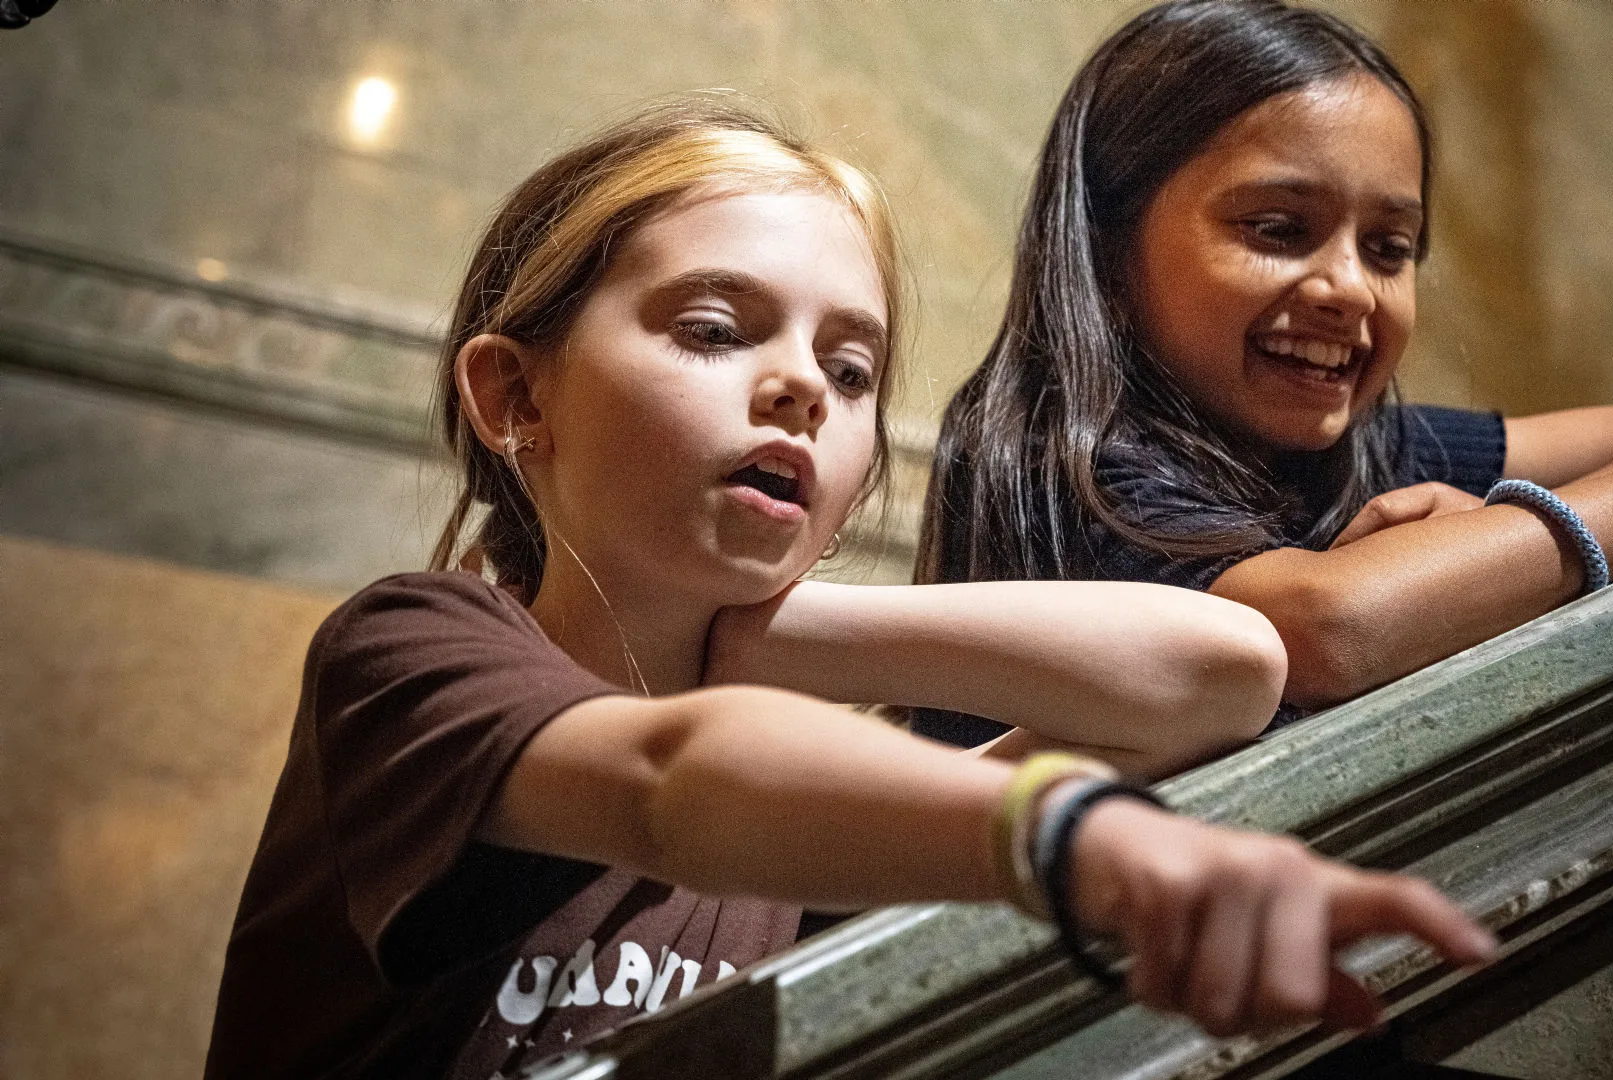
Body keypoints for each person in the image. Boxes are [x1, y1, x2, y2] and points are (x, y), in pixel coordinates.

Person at [203, 99, 1496, 1080]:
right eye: (715, 330)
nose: (803, 389)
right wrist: (1072, 840)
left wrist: (793, 632)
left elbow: (1225, 671)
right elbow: (667, 788)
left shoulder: (803, 813)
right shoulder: (414, 649)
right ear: (514, 396)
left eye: (855, 369)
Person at [916, 0, 1613, 749]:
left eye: (1390, 248)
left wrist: (1473, 544)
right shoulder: (1058, 447)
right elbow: (1322, 630)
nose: (1350, 287)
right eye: (1279, 229)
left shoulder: (1361, 446)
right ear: (1106, 245)